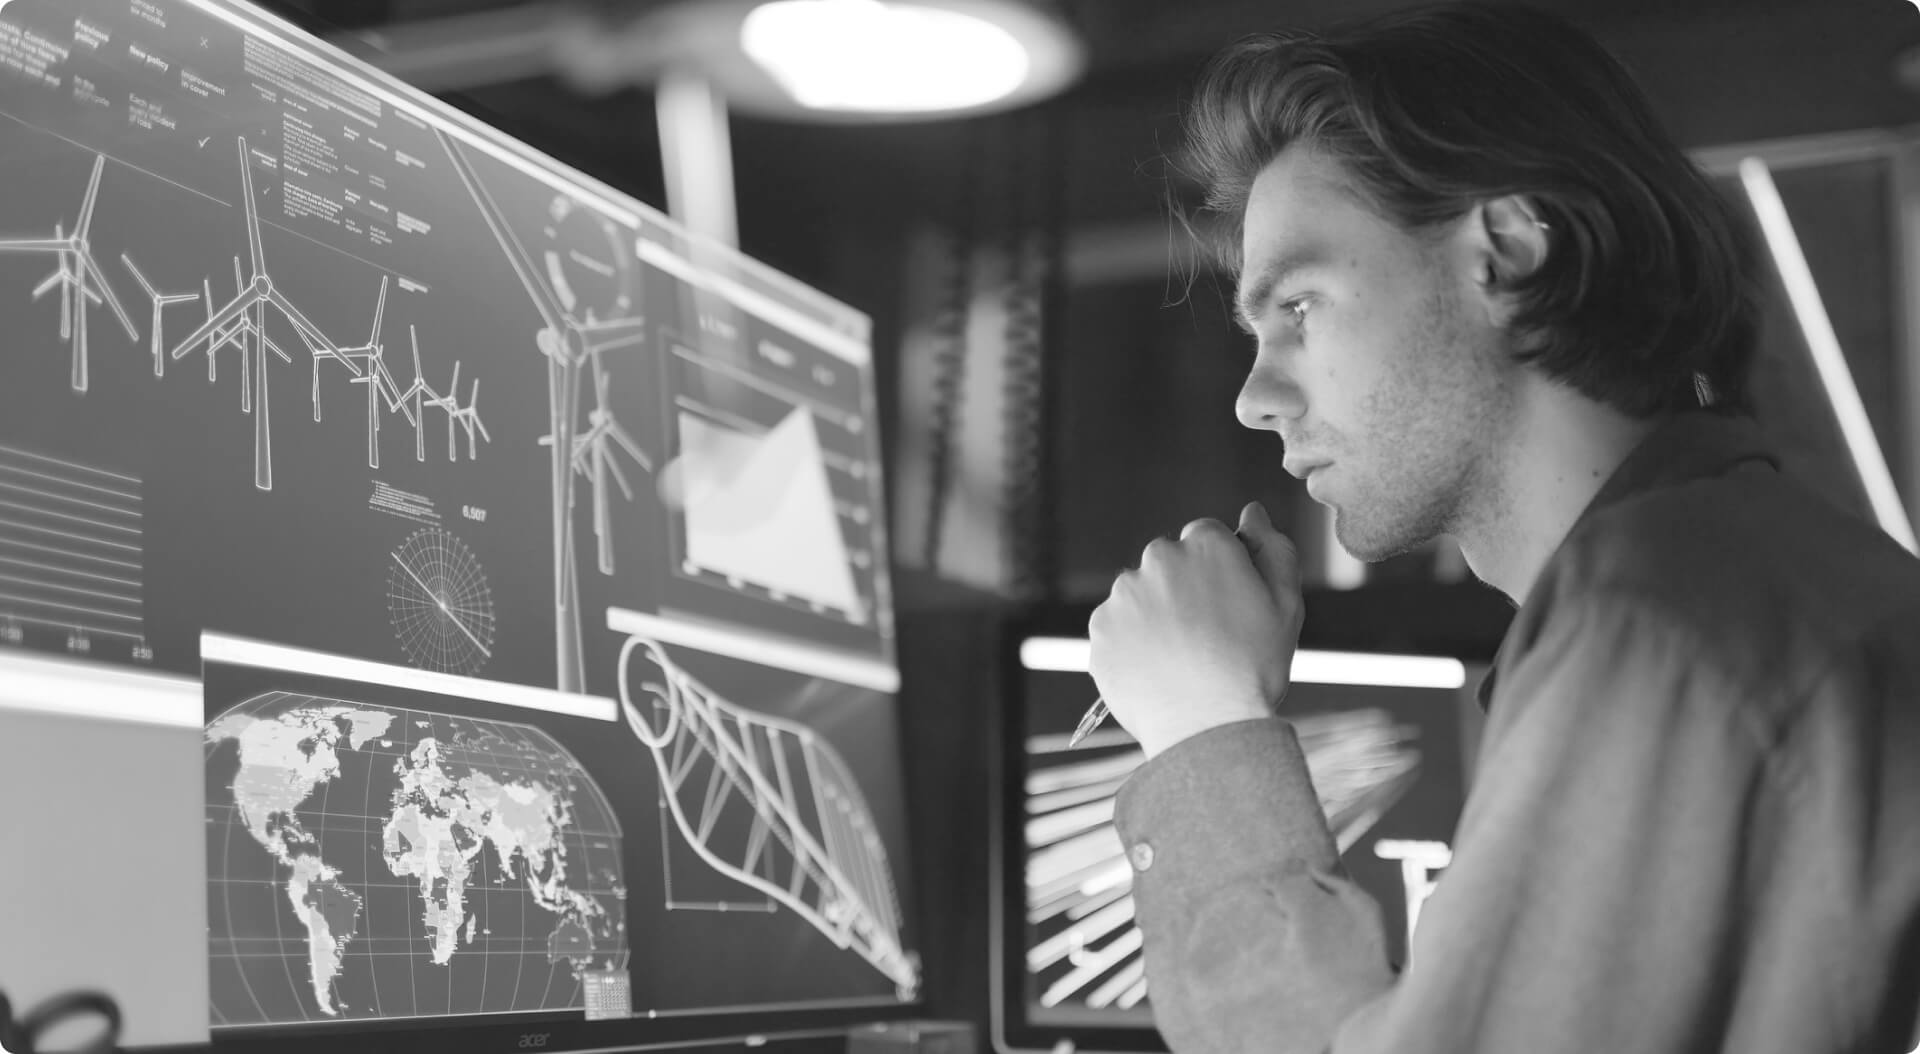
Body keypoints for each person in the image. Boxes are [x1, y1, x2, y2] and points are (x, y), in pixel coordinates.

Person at [1084, 4, 1920, 1053]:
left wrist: (1203, 730)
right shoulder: (1756, 573)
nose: (1255, 399)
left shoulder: (1655, 623)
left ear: (1509, 253)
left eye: (1299, 306)